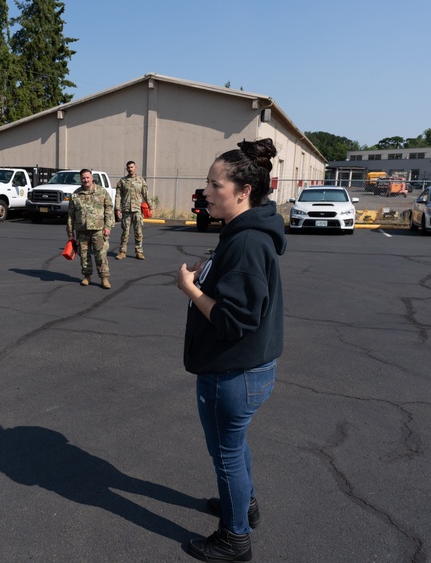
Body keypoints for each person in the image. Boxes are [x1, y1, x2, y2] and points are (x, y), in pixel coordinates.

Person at [174, 138, 286, 562]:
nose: (206, 191)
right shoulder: (244, 233)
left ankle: (235, 537)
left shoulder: (245, 243)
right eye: (206, 183)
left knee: (226, 454)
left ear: (243, 191)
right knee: (234, 448)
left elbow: (234, 320)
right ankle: (245, 504)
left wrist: (189, 288)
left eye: (214, 184)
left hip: (233, 373)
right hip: (247, 369)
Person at [66, 169, 113, 289]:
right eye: (83, 178)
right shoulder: (76, 194)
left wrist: (108, 226)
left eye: (87, 177)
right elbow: (71, 215)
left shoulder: (101, 192)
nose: (85, 180)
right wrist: (70, 233)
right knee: (84, 255)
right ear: (80, 179)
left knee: (100, 254)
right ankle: (87, 276)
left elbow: (109, 209)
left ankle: (104, 278)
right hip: (81, 230)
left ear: (92, 178)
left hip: (98, 229)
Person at [114, 160, 151, 260]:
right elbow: (118, 196)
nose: (130, 169)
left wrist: (150, 207)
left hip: (137, 210)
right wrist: (117, 209)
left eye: (132, 167)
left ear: (135, 168)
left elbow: (146, 194)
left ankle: (139, 252)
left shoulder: (140, 180)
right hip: (126, 210)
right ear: (126, 169)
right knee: (125, 232)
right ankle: (122, 252)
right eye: (128, 167)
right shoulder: (122, 181)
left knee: (138, 232)